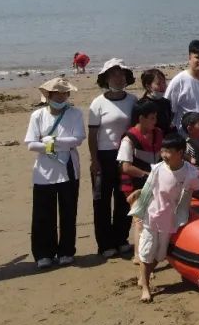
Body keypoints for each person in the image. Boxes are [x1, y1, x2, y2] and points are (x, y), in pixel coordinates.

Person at [127, 133, 199, 303]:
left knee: (159, 255)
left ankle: (143, 276)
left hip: (171, 219)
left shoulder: (189, 173)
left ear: (180, 152)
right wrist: (138, 209)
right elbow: (147, 190)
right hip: (152, 216)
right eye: (163, 150)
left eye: (168, 151)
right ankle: (146, 287)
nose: (164, 155)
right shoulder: (158, 169)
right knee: (146, 252)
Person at [25, 78, 85, 269]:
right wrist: (49, 145)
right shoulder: (38, 115)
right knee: (43, 215)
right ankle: (44, 254)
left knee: (68, 212)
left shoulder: (75, 113)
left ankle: (67, 251)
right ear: (48, 96)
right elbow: (31, 144)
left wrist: (52, 141)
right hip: (44, 172)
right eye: (57, 94)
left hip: (69, 169)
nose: (61, 97)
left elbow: (77, 139)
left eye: (65, 93)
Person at [87, 58, 137, 258]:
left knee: (124, 197)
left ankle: (121, 239)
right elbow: (92, 135)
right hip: (103, 156)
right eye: (113, 74)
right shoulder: (97, 103)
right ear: (106, 78)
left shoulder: (133, 100)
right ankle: (105, 243)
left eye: (121, 74)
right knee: (101, 201)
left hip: (125, 156)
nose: (118, 78)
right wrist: (94, 160)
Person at [118, 100, 163, 259]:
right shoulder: (129, 139)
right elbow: (125, 167)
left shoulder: (158, 133)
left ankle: (152, 251)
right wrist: (147, 175)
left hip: (153, 184)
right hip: (134, 185)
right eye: (151, 118)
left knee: (153, 218)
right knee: (140, 220)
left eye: (155, 117)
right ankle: (139, 256)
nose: (155, 121)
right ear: (141, 118)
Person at [165, 39, 199, 151]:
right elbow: (168, 110)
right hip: (185, 142)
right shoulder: (179, 81)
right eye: (197, 57)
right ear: (189, 57)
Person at [137, 68, 173, 133]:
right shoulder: (141, 105)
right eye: (158, 84)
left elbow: (168, 125)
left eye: (164, 82)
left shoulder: (166, 103)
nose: (163, 86)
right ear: (148, 86)